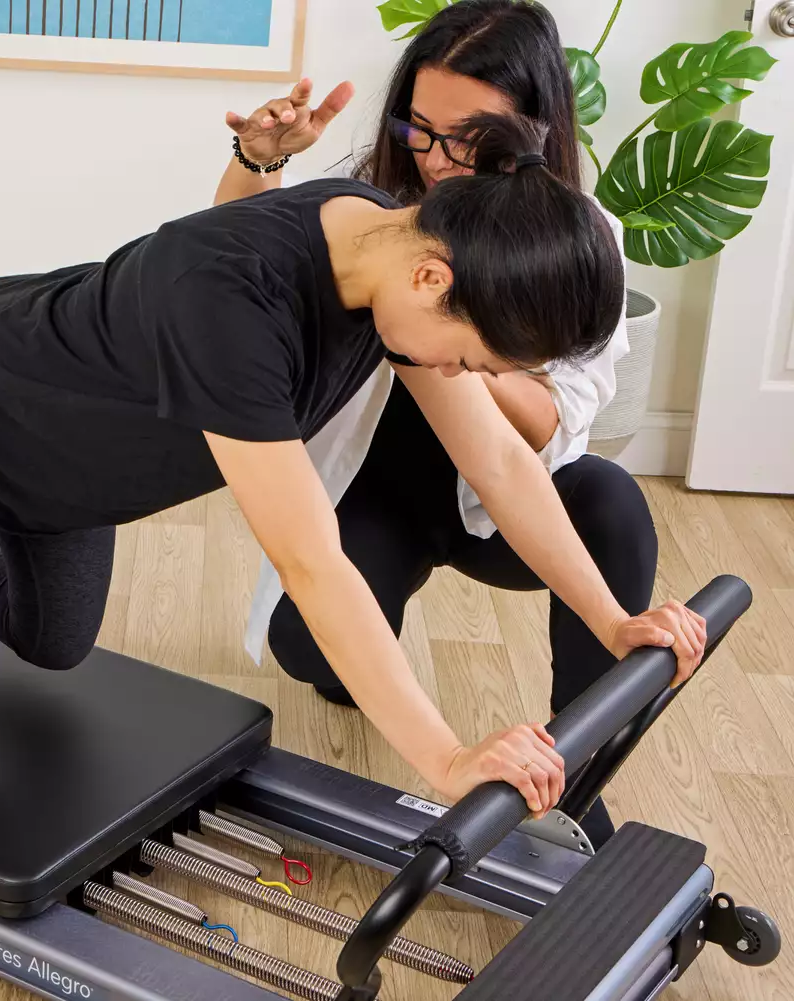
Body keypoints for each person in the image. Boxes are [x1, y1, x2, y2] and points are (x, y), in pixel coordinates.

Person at [0, 111, 706, 822]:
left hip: (68, 466)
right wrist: (444, 759)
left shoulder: (394, 264)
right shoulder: (237, 300)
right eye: (469, 356)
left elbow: (511, 471)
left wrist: (614, 620)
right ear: (437, 276)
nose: (460, 377)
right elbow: (312, 559)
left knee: (56, 645)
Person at [218, 0, 654, 845]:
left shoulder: (574, 241)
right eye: (423, 130)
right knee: (315, 655)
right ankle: (376, 616)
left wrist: (462, 337)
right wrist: (255, 161)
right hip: (375, 488)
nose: (444, 160)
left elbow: (521, 440)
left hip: (495, 499)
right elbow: (236, 256)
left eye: (472, 139)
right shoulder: (376, 210)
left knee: (610, 501)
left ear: (536, 127)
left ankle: (582, 765)